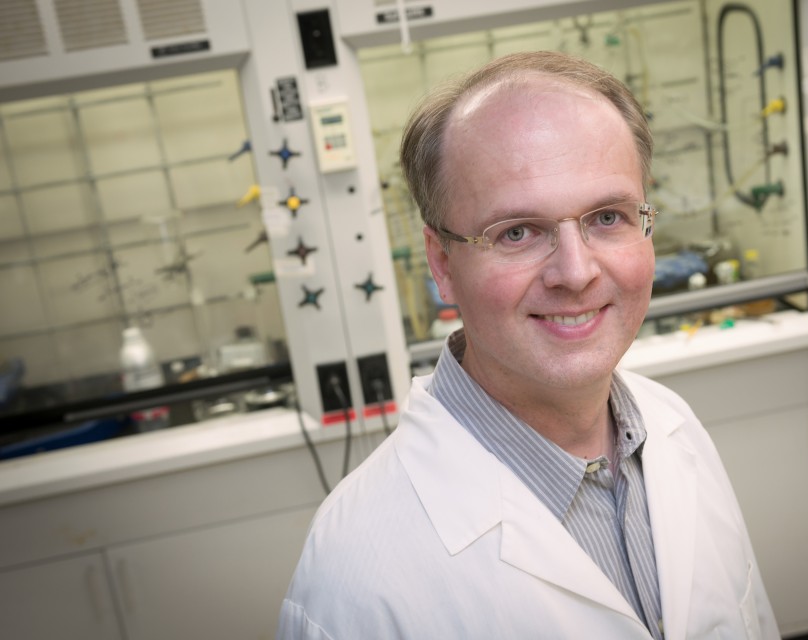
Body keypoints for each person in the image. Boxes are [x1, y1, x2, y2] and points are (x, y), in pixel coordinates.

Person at [277, 50, 779, 639]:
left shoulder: (676, 430)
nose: (575, 271)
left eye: (607, 217)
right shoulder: (355, 580)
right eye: (517, 232)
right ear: (442, 262)